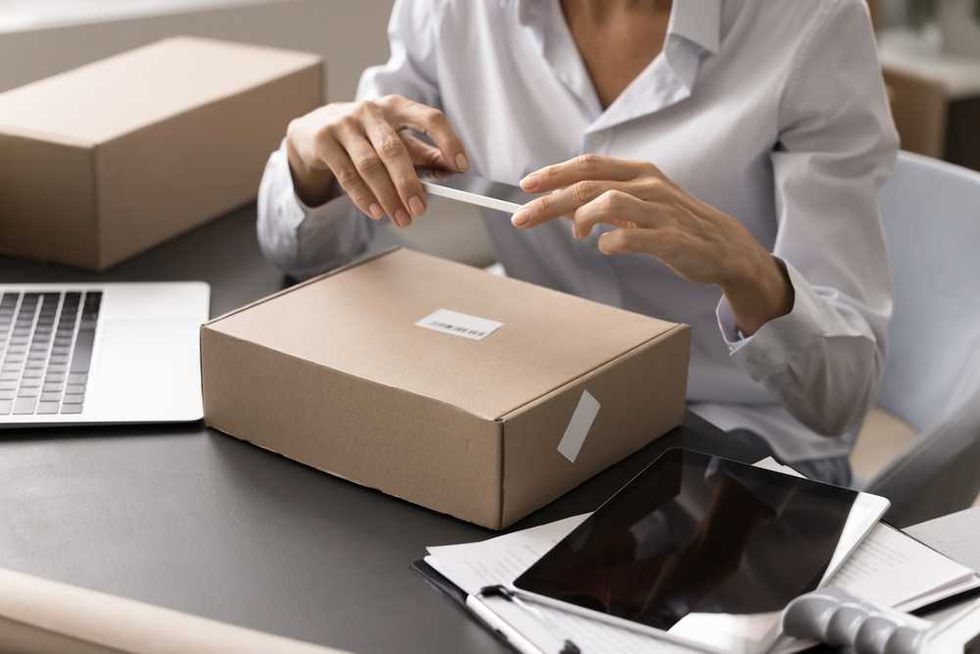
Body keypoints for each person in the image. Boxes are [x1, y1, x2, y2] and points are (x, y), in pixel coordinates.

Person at [257, 0, 898, 485]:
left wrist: (745, 268)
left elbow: (839, 399)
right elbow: (304, 255)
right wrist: (311, 166)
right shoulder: (458, 10)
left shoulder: (812, 19)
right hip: (542, 410)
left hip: (743, 440)